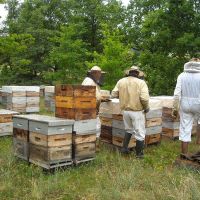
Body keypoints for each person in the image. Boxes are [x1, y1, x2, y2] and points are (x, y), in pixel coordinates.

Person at [111, 66, 150, 158]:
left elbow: (113, 94)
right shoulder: (141, 82)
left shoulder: (121, 81)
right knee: (140, 133)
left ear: (129, 73)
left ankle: (124, 148)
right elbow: (144, 98)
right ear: (137, 73)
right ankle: (139, 155)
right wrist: (146, 108)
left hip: (125, 111)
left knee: (128, 129)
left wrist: (123, 97)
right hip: (137, 111)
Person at [172, 58, 200, 158]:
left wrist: (175, 109)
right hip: (199, 103)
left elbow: (176, 94)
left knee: (185, 127)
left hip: (185, 104)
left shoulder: (182, 75)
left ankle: (184, 153)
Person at [82, 66, 107, 137]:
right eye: (99, 74)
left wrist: (101, 98)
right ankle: (95, 140)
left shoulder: (91, 81)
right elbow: (87, 95)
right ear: (95, 73)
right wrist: (100, 99)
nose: (100, 76)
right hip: (89, 108)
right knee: (95, 126)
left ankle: (94, 139)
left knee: (95, 125)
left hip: (91, 108)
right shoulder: (89, 81)